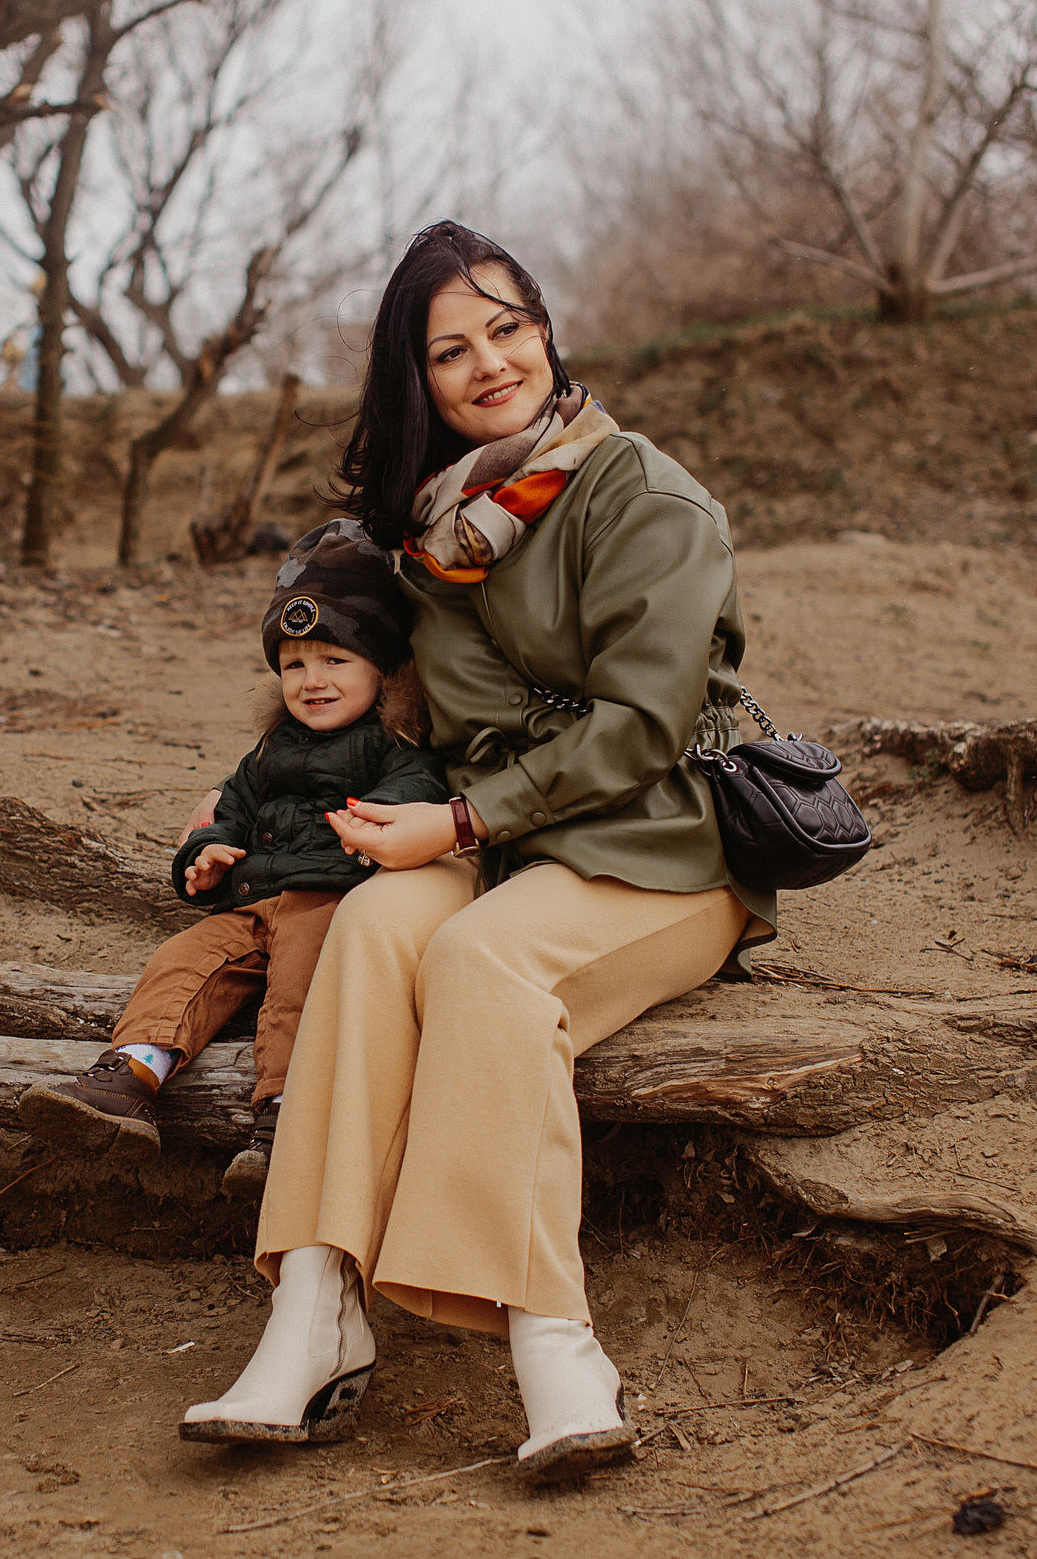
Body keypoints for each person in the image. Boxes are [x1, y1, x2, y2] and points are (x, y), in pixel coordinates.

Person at [176, 222, 780, 1483]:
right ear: (417, 380)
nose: (489, 362)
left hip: (662, 847)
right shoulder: (426, 530)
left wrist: (457, 825)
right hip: (502, 842)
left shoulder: (642, 495)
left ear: (545, 331)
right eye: (450, 349)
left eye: (506, 328)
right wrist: (241, 812)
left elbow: (644, 724)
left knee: (483, 960)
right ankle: (313, 1309)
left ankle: (554, 1337)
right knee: (372, 927)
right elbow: (338, 687)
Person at [15, 520, 448, 1199]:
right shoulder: (272, 746)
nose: (313, 681)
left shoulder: (393, 741)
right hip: (252, 902)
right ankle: (132, 1074)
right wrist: (204, 855)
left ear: (382, 666)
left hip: (328, 899)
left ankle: (285, 1115)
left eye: (335, 661)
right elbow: (232, 806)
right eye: (295, 665)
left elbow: (417, 790)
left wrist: (376, 818)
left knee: (301, 987)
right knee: (183, 959)